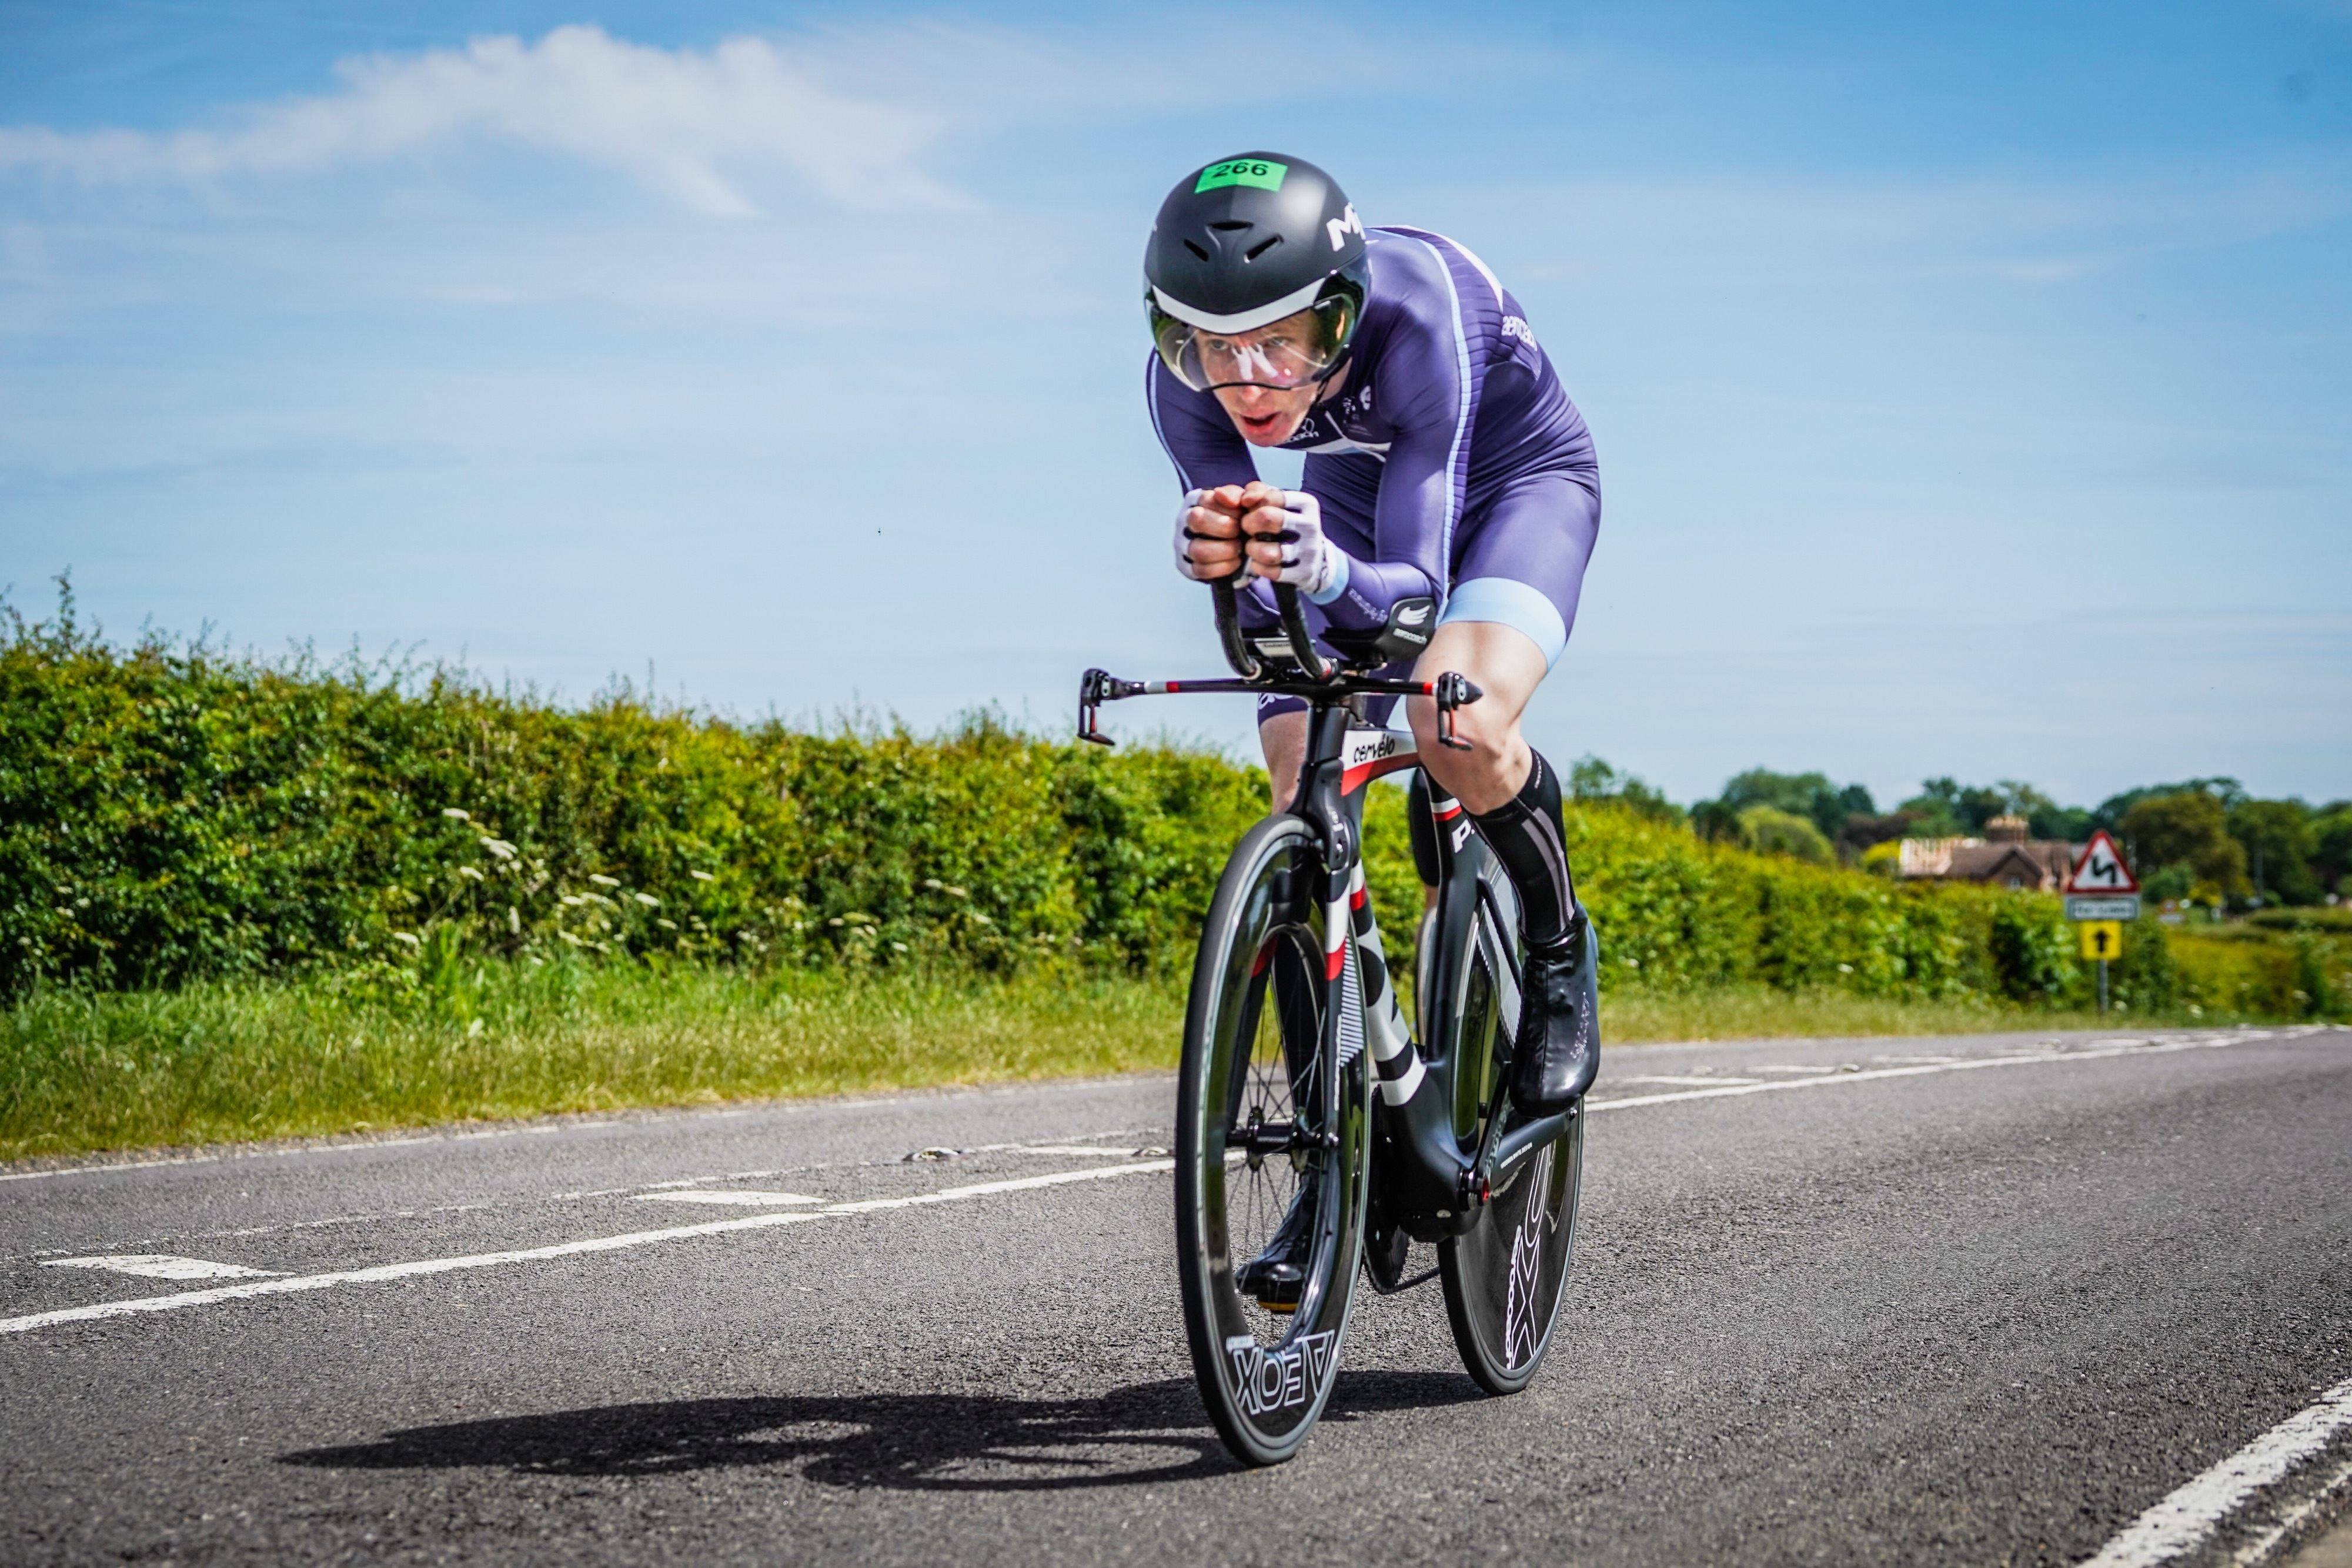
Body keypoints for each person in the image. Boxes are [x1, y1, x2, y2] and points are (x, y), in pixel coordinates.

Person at [1147, 151, 1603, 1145]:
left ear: (1342, 312)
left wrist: (1318, 573)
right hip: (1360, 486)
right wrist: (1232, 560)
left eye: (1281, 341)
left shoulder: (1422, 318)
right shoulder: (1187, 373)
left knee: (1460, 720)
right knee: (1297, 785)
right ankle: (1333, 1136)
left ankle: (1559, 945)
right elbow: (1269, 598)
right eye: (1215, 347)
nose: (1248, 381)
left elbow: (1415, 595)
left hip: (1516, 484)